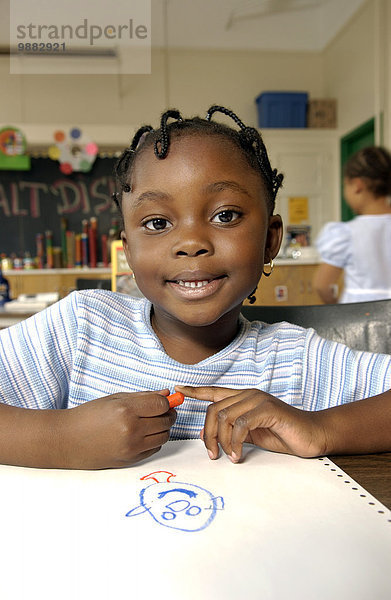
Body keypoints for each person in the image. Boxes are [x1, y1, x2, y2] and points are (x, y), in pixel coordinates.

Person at [0, 106, 390, 470]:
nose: (191, 242)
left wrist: (319, 429)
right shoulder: (81, 326)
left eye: (225, 215)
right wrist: (63, 437)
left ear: (270, 241)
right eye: (156, 223)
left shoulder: (295, 360)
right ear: (129, 250)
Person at [314, 146, 391, 303]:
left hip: (361, 316)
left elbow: (322, 285)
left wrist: (337, 308)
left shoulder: (346, 234)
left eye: (345, 185)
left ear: (357, 185)